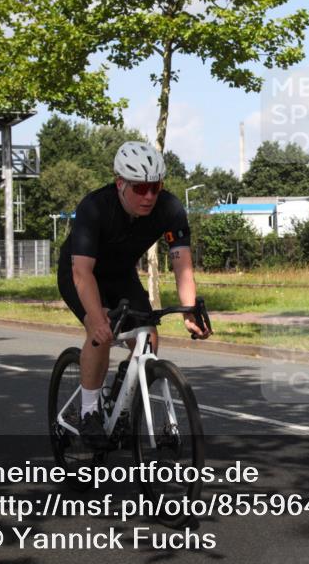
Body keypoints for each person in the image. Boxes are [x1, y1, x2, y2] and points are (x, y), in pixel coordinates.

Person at [57, 141, 211, 450]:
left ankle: (122, 402)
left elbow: (182, 265)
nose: (149, 196)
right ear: (120, 184)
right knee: (101, 331)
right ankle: (88, 412)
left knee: (148, 336)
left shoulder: (169, 208)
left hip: (122, 275)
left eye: (155, 187)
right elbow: (82, 273)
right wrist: (96, 318)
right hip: (82, 273)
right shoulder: (94, 207)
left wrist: (189, 309)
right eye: (140, 188)